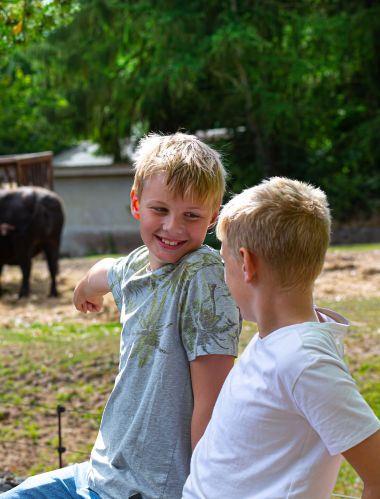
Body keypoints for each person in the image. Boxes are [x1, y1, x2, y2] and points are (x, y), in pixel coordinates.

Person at [3, 133, 241, 499]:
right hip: (99, 473)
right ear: (136, 202)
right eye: (160, 210)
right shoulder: (137, 264)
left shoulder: (203, 276)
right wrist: (84, 288)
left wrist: (204, 490)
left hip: (147, 489)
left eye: (190, 215)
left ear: (212, 217)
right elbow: (107, 269)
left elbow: (212, 401)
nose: (173, 227)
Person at [183, 177, 380, 499]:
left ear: (246, 263)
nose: (224, 274)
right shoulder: (278, 341)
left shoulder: (305, 361)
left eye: (224, 262)